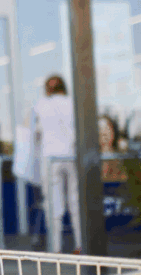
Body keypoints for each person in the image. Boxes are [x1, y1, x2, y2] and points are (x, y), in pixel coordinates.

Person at [31, 74, 81, 255]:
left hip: (50, 158)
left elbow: (35, 132)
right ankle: (80, 245)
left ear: (47, 89)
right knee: (76, 201)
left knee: (54, 204)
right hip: (72, 155)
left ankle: (57, 248)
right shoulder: (73, 103)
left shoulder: (41, 106)